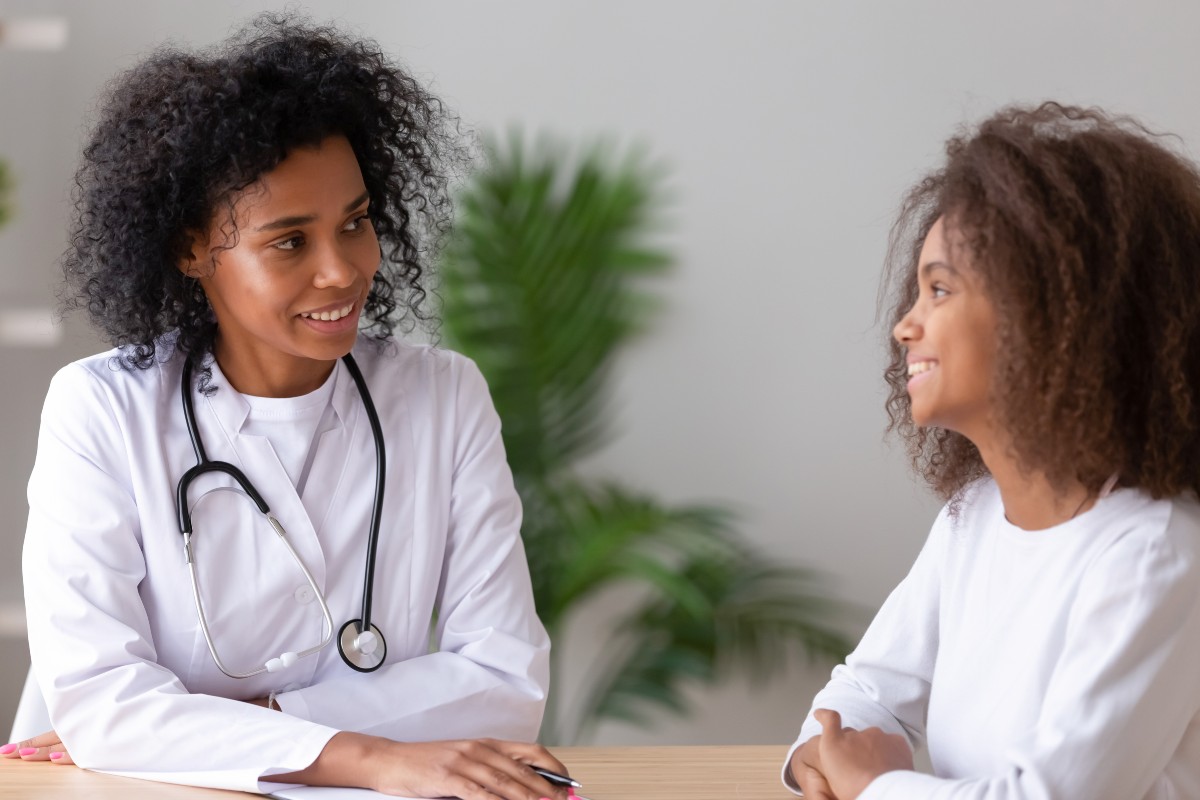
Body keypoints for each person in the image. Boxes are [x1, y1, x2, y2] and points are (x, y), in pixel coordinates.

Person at [2, 15, 569, 799]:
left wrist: (249, 722)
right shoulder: (101, 409)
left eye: (355, 223)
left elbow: (505, 684)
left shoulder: (443, 396)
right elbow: (103, 709)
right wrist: (369, 753)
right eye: (290, 241)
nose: (342, 271)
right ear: (191, 249)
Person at [784, 102, 1200, 799]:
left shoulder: (1156, 553)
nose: (904, 325)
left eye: (940, 289)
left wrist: (874, 787)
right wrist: (818, 756)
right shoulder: (971, 518)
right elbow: (864, 691)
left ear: (1053, 319)